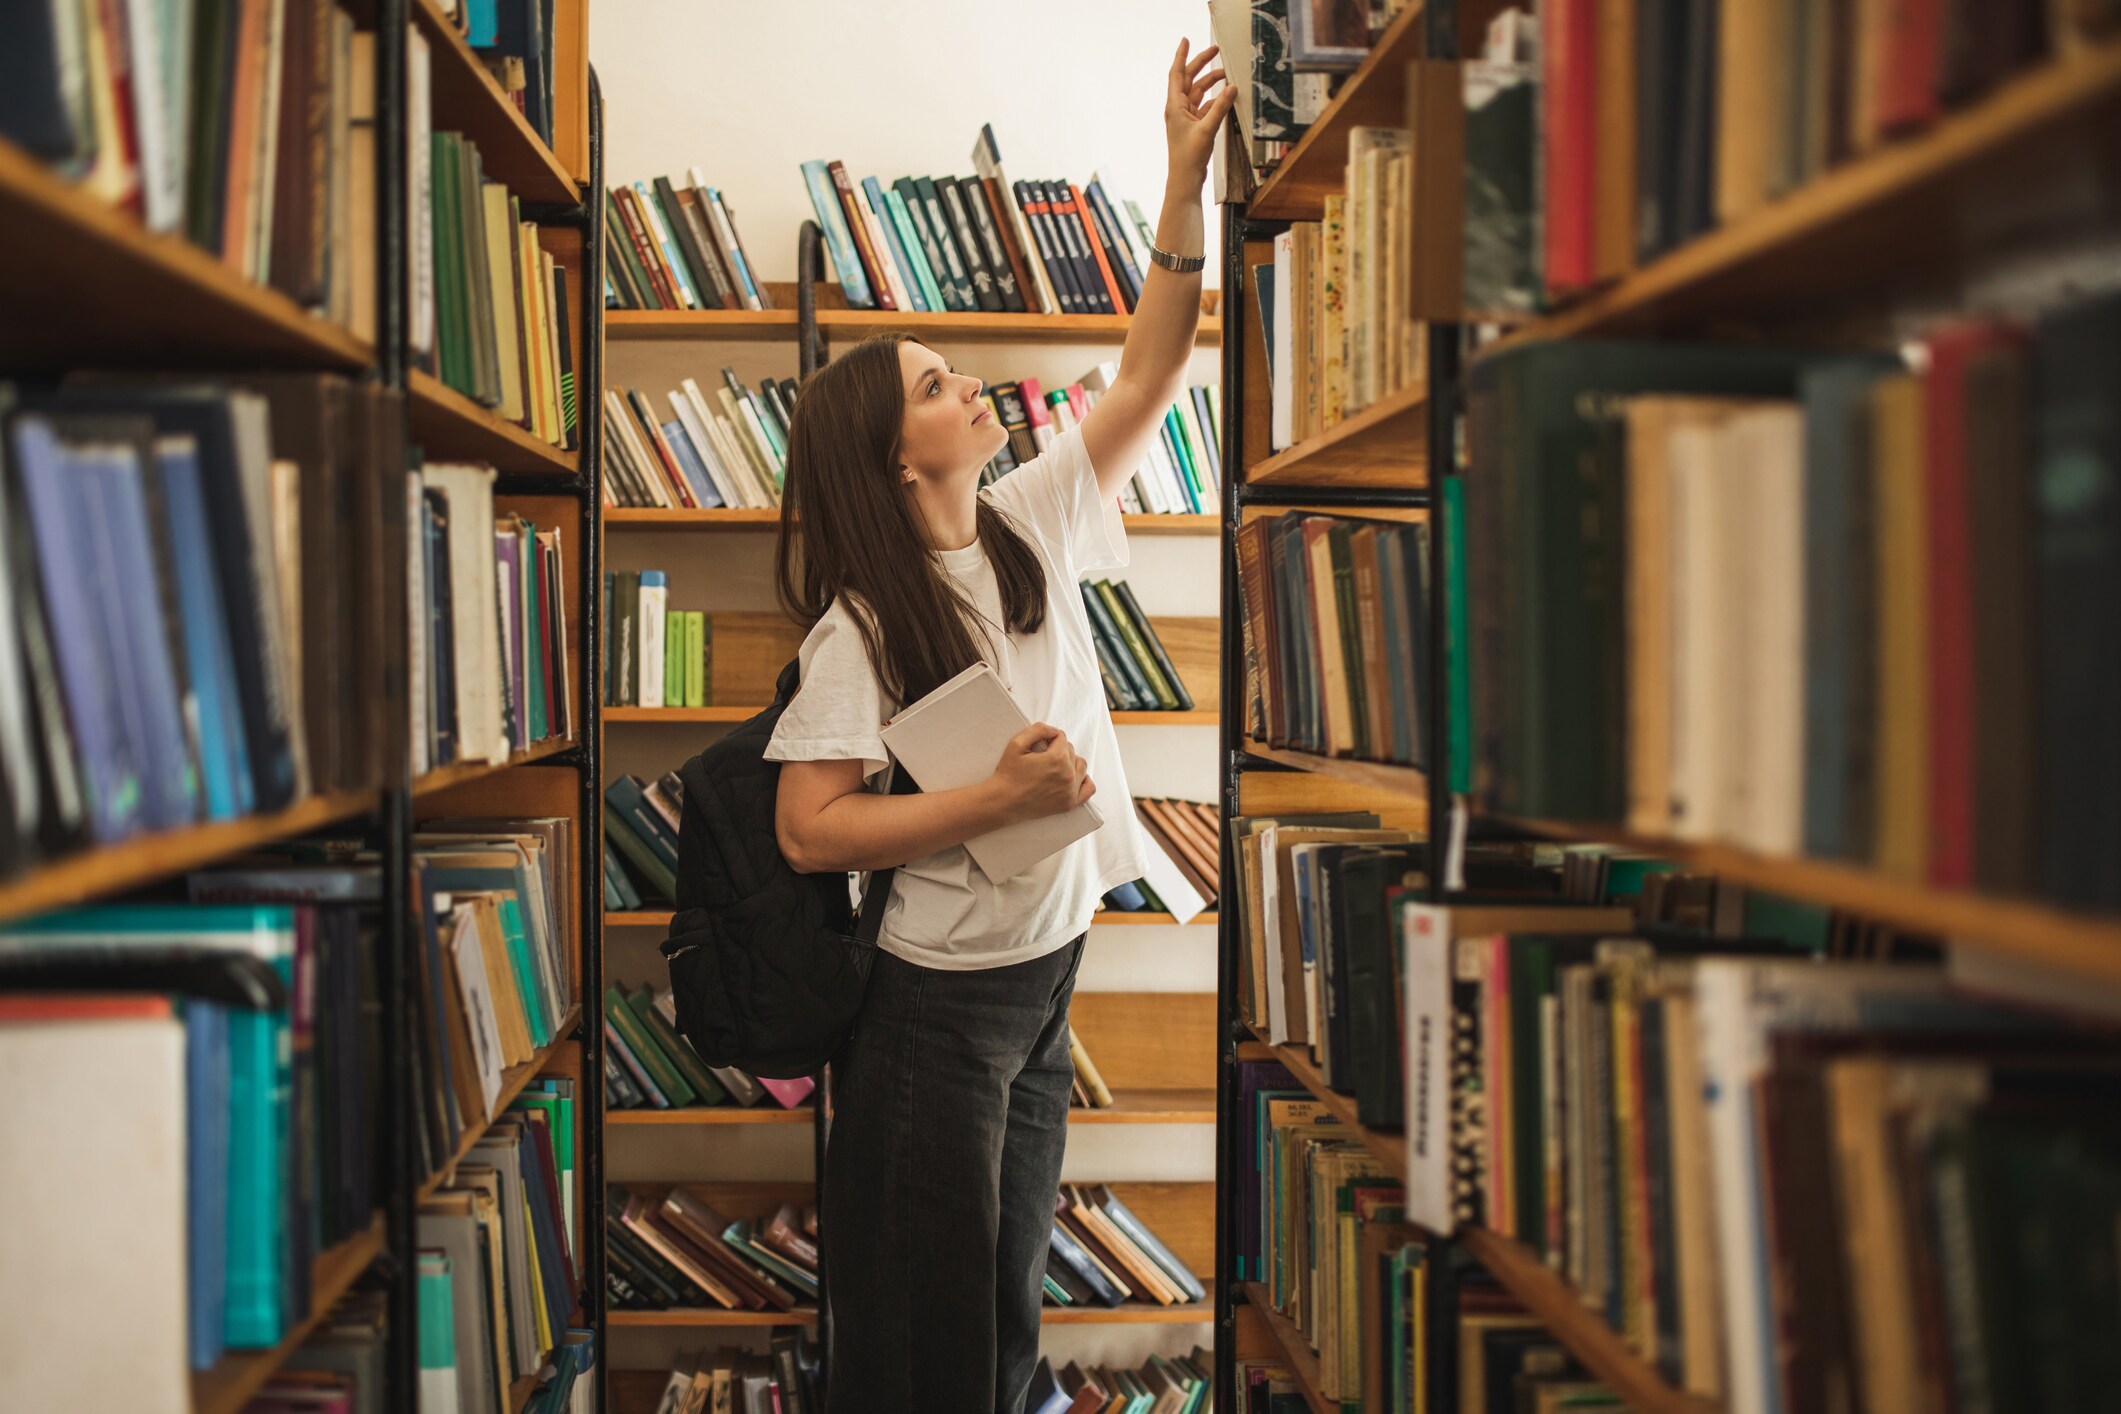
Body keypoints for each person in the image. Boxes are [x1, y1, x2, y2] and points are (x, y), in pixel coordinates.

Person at [759, 38, 1236, 1414]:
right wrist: (992, 804)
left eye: (950, 368)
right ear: (895, 459)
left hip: (1043, 968)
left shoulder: (1027, 517)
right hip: (934, 1011)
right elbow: (809, 828)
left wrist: (1181, 179)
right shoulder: (859, 623)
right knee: (925, 1328)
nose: (966, 384)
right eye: (932, 385)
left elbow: (1146, 375)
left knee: (1001, 1300)